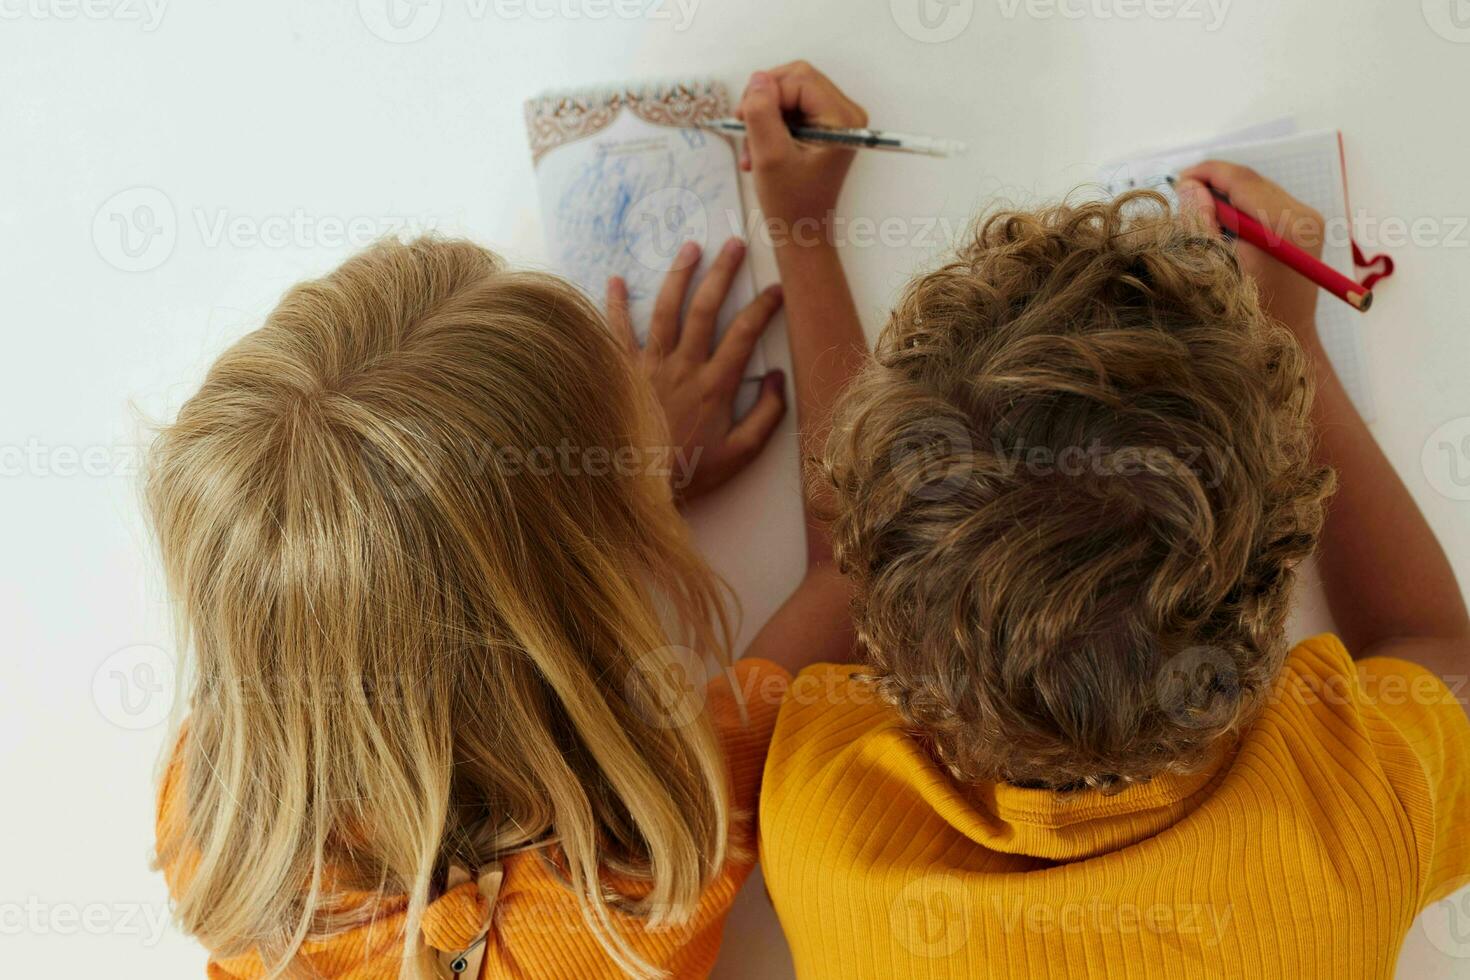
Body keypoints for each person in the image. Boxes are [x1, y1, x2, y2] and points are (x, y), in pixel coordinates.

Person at [744, 64, 1470, 978]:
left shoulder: (824, 833)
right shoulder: (1353, 821)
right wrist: (1292, 335)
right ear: (1271, 571)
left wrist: (801, 233)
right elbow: (1433, 644)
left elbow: (831, 572)